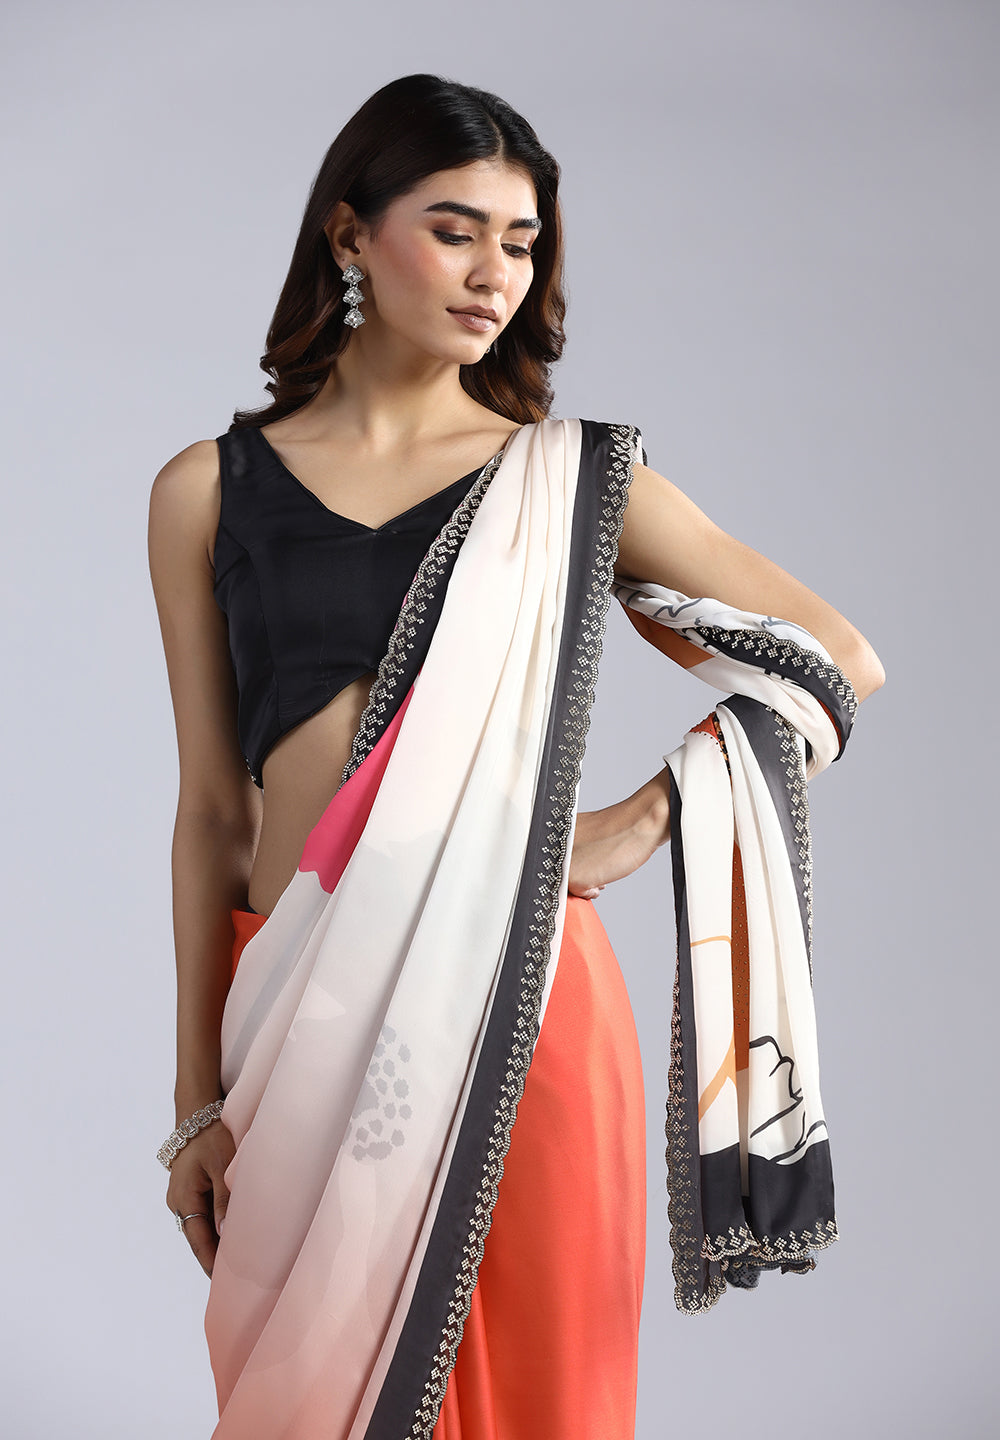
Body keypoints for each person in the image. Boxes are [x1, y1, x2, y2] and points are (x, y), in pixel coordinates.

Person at [147, 74, 884, 1440]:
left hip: (521, 999)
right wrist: (196, 1104)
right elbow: (208, 813)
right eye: (455, 230)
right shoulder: (206, 488)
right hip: (298, 1004)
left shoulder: (569, 483)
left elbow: (835, 660)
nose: (497, 273)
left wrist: (643, 819)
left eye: (523, 242)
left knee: (543, 1402)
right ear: (350, 233)